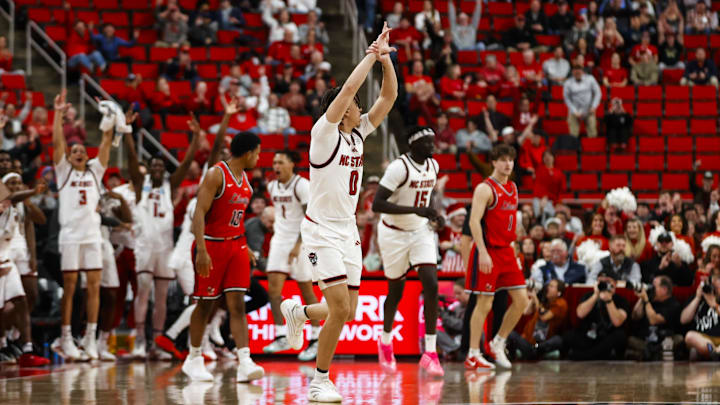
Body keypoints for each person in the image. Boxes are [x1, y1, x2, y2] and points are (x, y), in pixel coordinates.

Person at [277, 24, 397, 402]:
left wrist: (385, 60)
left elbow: (389, 97)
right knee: (341, 306)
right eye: (354, 103)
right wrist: (369, 53)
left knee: (346, 310)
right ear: (342, 108)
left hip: (348, 231)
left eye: (359, 104)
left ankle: (298, 313)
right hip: (320, 232)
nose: (359, 105)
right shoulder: (323, 133)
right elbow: (348, 90)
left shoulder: (358, 132)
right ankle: (320, 381)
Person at [181, 130, 265, 382]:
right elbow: (198, 214)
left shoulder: (247, 181)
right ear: (248, 153)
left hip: (236, 245)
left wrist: (246, 247)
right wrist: (202, 250)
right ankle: (193, 357)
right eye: (258, 153)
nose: (259, 159)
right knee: (205, 304)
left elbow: (235, 220)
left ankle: (245, 362)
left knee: (237, 304)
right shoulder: (217, 174)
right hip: (211, 245)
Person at [154, 100, 234, 360]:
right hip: (188, 254)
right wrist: (226, 117)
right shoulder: (210, 179)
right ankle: (170, 338)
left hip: (195, 253)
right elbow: (215, 150)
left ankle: (202, 344)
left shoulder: (225, 190)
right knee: (204, 302)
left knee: (210, 301)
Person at [126, 113, 200, 360]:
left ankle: (156, 343)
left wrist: (196, 138)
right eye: (153, 166)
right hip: (145, 247)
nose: (157, 169)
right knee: (143, 292)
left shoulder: (170, 184)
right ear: (149, 169)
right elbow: (130, 157)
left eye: (161, 166)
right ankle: (138, 341)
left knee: (160, 298)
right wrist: (127, 131)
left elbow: (187, 163)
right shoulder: (140, 183)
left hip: (165, 248)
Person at [372, 126, 443, 376]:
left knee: (431, 284)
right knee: (396, 292)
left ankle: (431, 353)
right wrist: (416, 210)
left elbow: (427, 196)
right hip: (392, 233)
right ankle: (386, 340)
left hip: (420, 231)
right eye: (426, 142)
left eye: (433, 141)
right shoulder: (398, 168)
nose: (432, 146)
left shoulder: (433, 166)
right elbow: (377, 204)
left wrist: (433, 214)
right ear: (412, 145)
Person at [50, 90, 112, 361]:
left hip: (92, 236)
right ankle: (65, 337)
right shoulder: (63, 171)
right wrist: (58, 115)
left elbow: (107, 142)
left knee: (95, 286)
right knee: (71, 285)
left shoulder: (95, 171)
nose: (77, 153)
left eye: (81, 151)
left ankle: (90, 337)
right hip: (70, 237)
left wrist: (110, 119)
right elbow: (56, 144)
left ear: (87, 157)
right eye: (73, 151)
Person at [465, 144, 530, 370]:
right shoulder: (485, 188)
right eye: (503, 159)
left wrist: (515, 249)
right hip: (489, 250)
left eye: (510, 159)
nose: (508, 164)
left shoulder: (513, 187)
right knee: (484, 302)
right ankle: (473, 353)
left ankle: (498, 342)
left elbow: (511, 223)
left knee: (522, 300)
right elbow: (474, 221)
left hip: (507, 250)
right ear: (493, 162)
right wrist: (482, 252)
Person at [261, 150, 321, 362]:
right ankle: (281, 334)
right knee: (274, 291)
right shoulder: (271, 186)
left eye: (280, 162)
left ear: (291, 165)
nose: (275, 166)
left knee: (306, 290)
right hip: (279, 240)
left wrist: (298, 244)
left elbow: (309, 217)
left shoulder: (302, 185)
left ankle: (316, 337)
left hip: (302, 240)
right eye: (274, 162)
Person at [563, 270, 629, 360]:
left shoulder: (621, 300)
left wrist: (609, 300)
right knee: (568, 336)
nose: (603, 284)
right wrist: (595, 296)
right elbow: (580, 314)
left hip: (607, 337)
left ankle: (585, 356)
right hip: (589, 335)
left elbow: (617, 322)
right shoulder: (588, 295)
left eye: (607, 282)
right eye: (601, 281)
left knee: (620, 336)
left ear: (615, 283)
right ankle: (598, 355)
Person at [507, 279, 568, 360]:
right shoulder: (543, 301)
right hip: (529, 342)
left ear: (559, 292)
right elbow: (526, 311)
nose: (547, 288)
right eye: (548, 285)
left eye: (552, 286)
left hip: (544, 343)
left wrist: (535, 298)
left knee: (558, 340)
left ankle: (535, 351)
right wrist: (533, 296)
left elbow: (544, 317)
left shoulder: (561, 304)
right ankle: (528, 352)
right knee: (511, 334)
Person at [627, 275, 681, 360]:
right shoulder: (649, 300)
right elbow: (635, 317)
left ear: (664, 289)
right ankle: (652, 353)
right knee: (630, 339)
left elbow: (654, 320)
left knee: (679, 339)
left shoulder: (673, 305)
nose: (651, 288)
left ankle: (647, 354)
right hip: (645, 342)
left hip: (664, 341)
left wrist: (646, 300)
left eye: (654, 286)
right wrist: (641, 299)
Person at [681, 272, 720, 359]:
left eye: (717, 287)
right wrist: (697, 298)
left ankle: (714, 353)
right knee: (690, 336)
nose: (714, 290)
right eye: (713, 286)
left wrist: (714, 305)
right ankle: (714, 352)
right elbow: (684, 320)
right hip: (705, 341)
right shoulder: (696, 299)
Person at [564, 64, 601, 138]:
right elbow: (567, 99)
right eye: (575, 72)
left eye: (579, 72)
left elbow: (598, 93)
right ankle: (574, 147)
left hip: (589, 110)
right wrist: (574, 111)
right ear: (573, 72)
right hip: (575, 111)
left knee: (593, 133)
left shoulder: (590, 79)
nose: (577, 74)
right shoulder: (568, 82)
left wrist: (593, 107)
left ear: (582, 71)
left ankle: (592, 148)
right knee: (573, 135)